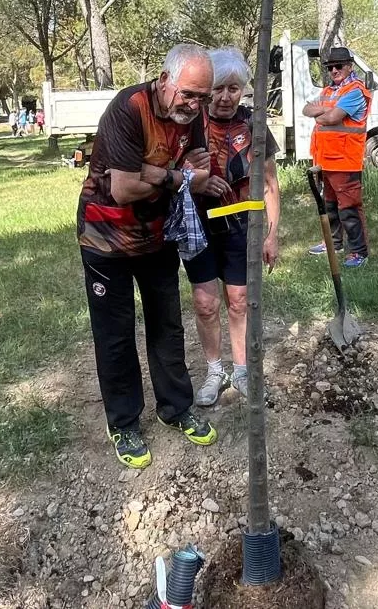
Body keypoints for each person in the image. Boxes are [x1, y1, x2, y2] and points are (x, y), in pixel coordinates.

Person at [78, 44, 222, 468]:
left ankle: (175, 409)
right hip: (105, 237)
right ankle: (123, 422)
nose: (195, 106)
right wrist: (179, 177)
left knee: (167, 326)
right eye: (189, 94)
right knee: (116, 335)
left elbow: (203, 171)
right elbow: (123, 188)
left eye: (203, 98)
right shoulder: (130, 107)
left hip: (158, 236)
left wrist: (156, 174)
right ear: (164, 81)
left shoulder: (193, 116)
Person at [187, 48, 281, 407]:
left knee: (239, 300)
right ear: (208, 89)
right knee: (205, 303)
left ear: (242, 90)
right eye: (219, 88)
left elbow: (271, 183)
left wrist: (271, 234)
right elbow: (176, 173)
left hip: (243, 226)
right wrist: (199, 181)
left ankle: (241, 369)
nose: (225, 97)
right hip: (198, 228)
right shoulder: (192, 124)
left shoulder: (254, 125)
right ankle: (215, 370)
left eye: (234, 88)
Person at [304, 46, 371, 267]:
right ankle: (333, 243)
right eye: (330, 67)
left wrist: (321, 112)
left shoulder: (355, 91)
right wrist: (322, 112)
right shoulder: (328, 91)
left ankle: (359, 253)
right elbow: (306, 109)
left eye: (338, 66)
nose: (334, 70)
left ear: (349, 66)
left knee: (349, 208)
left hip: (345, 160)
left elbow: (331, 118)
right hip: (325, 160)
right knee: (329, 205)